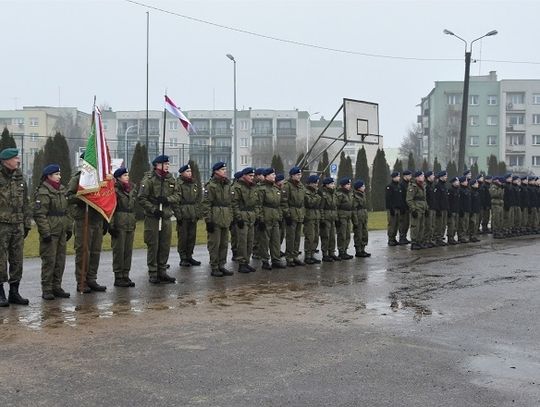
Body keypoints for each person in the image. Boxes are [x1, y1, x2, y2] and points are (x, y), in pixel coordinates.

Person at [67, 152, 107, 293]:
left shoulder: (100, 180)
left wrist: (106, 219)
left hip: (97, 219)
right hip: (83, 220)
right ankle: (81, 282)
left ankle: (92, 279)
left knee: (95, 251)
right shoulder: (79, 178)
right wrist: (83, 197)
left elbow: (105, 198)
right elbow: (69, 197)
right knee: (84, 252)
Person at [33, 164, 73, 299]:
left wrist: (68, 228)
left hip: (61, 231)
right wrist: (45, 233)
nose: (59, 176)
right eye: (56, 174)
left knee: (60, 260)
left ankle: (57, 286)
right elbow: (40, 214)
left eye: (59, 174)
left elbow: (66, 211)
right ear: (49, 176)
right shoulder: (43, 191)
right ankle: (47, 288)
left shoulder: (61, 190)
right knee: (49, 261)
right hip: (50, 231)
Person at [137, 154, 178, 284]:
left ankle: (162, 270)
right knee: (153, 245)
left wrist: (167, 199)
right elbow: (141, 198)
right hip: (153, 218)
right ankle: (153, 272)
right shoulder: (149, 179)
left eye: (168, 164)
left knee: (165, 245)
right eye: (165, 164)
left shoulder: (170, 179)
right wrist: (153, 209)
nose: (167, 166)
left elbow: (178, 195)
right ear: (157, 165)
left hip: (165, 217)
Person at [0, 148, 31, 306]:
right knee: (0, 259)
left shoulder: (20, 177)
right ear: (6, 161)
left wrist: (26, 224)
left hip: (18, 225)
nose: (18, 160)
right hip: (2, 225)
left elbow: (26, 202)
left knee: (17, 259)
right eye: (15, 157)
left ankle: (14, 292)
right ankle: (0, 293)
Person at [202, 162, 234, 277]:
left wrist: (230, 218)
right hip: (215, 217)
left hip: (225, 217)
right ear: (216, 171)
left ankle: (222, 265)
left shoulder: (227, 184)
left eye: (225, 169)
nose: (225, 171)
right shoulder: (211, 185)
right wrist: (208, 220)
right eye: (222, 169)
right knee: (215, 244)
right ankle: (214, 266)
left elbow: (230, 203)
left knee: (224, 244)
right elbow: (206, 204)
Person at [109, 167, 136, 287]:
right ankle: (118, 276)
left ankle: (126, 274)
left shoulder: (130, 190)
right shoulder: (115, 191)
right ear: (118, 178)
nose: (127, 177)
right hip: (119, 223)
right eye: (125, 175)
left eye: (127, 175)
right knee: (119, 251)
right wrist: (111, 225)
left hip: (130, 222)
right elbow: (112, 209)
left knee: (127, 251)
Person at [256, 168, 285, 270]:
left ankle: (276, 259)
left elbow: (279, 205)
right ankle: (265, 260)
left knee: (276, 240)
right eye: (272, 174)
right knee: (265, 240)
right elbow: (258, 205)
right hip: (266, 217)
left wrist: (280, 217)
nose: (274, 176)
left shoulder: (276, 189)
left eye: (274, 174)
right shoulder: (261, 189)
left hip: (275, 217)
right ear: (266, 176)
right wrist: (260, 219)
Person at [231, 167, 258, 273]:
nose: (252, 178)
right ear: (244, 176)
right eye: (250, 176)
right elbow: (234, 204)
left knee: (250, 241)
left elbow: (256, 203)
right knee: (242, 241)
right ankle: (242, 263)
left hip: (251, 216)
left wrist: (255, 215)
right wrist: (238, 217)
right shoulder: (237, 187)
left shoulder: (252, 187)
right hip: (242, 215)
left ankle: (246, 261)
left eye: (253, 176)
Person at [175, 164, 202, 268]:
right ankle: (183, 258)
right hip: (183, 213)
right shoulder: (179, 184)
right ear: (182, 173)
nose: (190, 173)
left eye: (190, 171)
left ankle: (189, 256)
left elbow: (198, 200)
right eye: (187, 171)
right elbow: (176, 201)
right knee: (183, 237)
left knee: (192, 236)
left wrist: (198, 213)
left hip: (192, 213)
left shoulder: (193, 184)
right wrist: (178, 215)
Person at [281, 166, 306, 267]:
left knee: (297, 237)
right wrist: (287, 214)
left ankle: (295, 256)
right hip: (291, 213)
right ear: (292, 176)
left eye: (300, 174)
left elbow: (303, 201)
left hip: (299, 213)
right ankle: (289, 257)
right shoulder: (287, 186)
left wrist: (303, 213)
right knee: (290, 237)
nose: (299, 176)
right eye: (297, 175)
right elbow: (284, 201)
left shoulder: (301, 186)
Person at [319, 177, 340, 262]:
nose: (333, 185)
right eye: (331, 184)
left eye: (333, 184)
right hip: (326, 218)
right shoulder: (323, 194)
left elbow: (335, 207)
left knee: (332, 237)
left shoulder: (333, 194)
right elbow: (321, 208)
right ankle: (325, 254)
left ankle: (332, 252)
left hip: (332, 217)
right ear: (327, 185)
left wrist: (337, 218)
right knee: (325, 236)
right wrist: (322, 219)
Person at [406, 171, 427, 250]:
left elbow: (424, 199)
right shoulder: (413, 186)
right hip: (416, 209)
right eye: (422, 176)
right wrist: (413, 209)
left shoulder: (423, 185)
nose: (423, 177)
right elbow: (409, 199)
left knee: (421, 226)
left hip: (422, 208)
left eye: (423, 176)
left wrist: (426, 208)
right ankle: (414, 242)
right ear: (417, 177)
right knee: (415, 226)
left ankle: (419, 241)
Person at [303, 175, 321, 264]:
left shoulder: (315, 192)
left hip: (316, 216)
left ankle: (312, 254)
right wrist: (318, 197)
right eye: (315, 183)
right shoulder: (306, 192)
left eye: (317, 183)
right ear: (310, 183)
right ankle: (307, 255)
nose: (316, 185)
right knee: (310, 237)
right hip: (309, 216)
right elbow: (310, 203)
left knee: (316, 237)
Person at [335, 177, 354, 259]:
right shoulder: (339, 194)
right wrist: (337, 218)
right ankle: (341, 251)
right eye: (347, 184)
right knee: (342, 234)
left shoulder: (349, 193)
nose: (349, 186)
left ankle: (345, 250)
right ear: (343, 185)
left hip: (348, 215)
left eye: (349, 184)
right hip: (342, 215)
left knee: (347, 234)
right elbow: (336, 207)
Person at [352, 179, 370, 257]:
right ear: (358, 188)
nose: (364, 187)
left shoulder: (363, 194)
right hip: (358, 217)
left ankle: (363, 249)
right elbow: (354, 209)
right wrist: (355, 220)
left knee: (364, 234)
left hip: (363, 216)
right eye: (362, 186)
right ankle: (358, 250)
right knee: (358, 234)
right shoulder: (355, 196)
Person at [385, 171, 402, 246]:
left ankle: (394, 238)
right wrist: (390, 208)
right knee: (392, 224)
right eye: (398, 176)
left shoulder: (398, 186)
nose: (399, 178)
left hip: (398, 208)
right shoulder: (390, 186)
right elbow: (388, 198)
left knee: (396, 224)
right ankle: (390, 239)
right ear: (394, 177)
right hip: (392, 209)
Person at [229, 170, 243, 261]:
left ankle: (238, 252)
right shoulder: (234, 188)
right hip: (234, 217)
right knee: (235, 236)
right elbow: (233, 204)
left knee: (239, 236)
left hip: (240, 215)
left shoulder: (241, 187)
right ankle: (235, 252)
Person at [433, 171, 449, 246]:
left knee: (443, 224)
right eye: (445, 176)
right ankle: (437, 238)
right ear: (441, 177)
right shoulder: (438, 186)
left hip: (444, 208)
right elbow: (436, 199)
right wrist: (438, 209)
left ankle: (441, 237)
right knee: (439, 224)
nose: (446, 177)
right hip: (440, 209)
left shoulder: (444, 186)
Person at [398, 170, 412, 244]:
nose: (410, 177)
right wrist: (402, 207)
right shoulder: (401, 185)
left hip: (408, 207)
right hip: (403, 207)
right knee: (403, 223)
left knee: (407, 223)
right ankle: (401, 237)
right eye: (409, 176)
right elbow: (401, 197)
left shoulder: (409, 184)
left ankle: (404, 237)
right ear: (405, 176)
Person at [423, 171, 436, 248]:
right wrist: (426, 208)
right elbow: (424, 198)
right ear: (428, 177)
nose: (434, 177)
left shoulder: (431, 186)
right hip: (428, 208)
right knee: (427, 225)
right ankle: (426, 240)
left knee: (432, 225)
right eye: (432, 175)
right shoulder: (426, 186)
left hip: (433, 208)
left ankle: (430, 240)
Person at [447, 176, 460, 245]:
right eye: (457, 181)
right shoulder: (450, 190)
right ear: (453, 182)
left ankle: (453, 237)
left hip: (456, 210)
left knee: (455, 225)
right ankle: (450, 238)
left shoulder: (457, 190)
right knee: (451, 225)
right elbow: (448, 201)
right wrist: (449, 210)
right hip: (452, 211)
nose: (458, 182)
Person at [457, 177, 471, 243]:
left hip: (467, 209)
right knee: (462, 224)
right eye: (465, 181)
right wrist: (461, 209)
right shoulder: (460, 190)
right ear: (462, 182)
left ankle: (464, 235)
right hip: (463, 210)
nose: (467, 182)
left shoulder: (467, 190)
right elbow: (460, 201)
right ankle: (461, 236)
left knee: (466, 224)